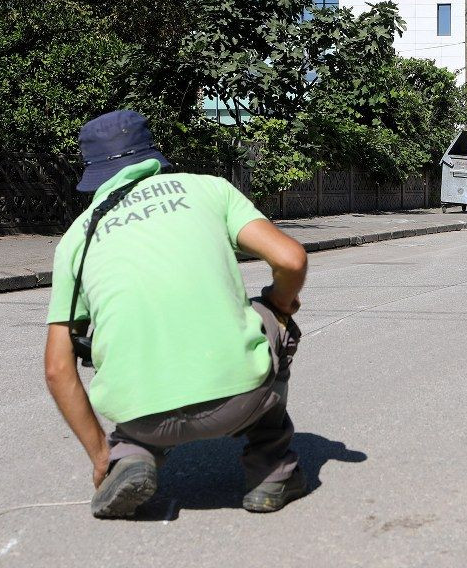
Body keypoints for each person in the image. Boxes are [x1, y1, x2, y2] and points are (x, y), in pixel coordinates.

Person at [44, 110, 308, 519]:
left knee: (116, 346)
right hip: (241, 399)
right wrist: (278, 305)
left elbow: (58, 369)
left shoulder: (77, 238)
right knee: (272, 320)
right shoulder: (209, 190)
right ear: (151, 154)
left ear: (94, 172)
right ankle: (272, 471)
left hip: (142, 416)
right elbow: (290, 259)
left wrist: (99, 455)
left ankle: (128, 455)